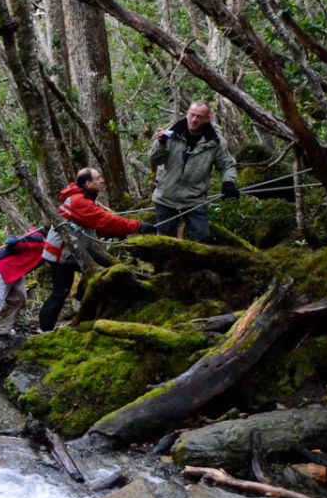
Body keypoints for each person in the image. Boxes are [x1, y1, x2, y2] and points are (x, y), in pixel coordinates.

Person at [39, 169, 155, 332]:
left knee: (107, 270)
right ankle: (45, 330)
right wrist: (138, 226)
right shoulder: (79, 201)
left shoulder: (85, 199)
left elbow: (99, 227)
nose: (102, 180)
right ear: (87, 183)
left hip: (79, 249)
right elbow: (105, 221)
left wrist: (123, 231)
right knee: (60, 292)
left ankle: (92, 305)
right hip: (61, 254)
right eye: (98, 178)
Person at [149, 101, 239, 243]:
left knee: (202, 239)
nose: (194, 119)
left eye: (199, 116)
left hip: (194, 199)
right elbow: (154, 159)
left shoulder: (215, 141)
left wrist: (229, 183)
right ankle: (167, 266)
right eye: (192, 115)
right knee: (164, 242)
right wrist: (160, 144)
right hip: (165, 197)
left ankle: (201, 265)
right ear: (187, 114)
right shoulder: (170, 134)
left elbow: (227, 165)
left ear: (207, 118)